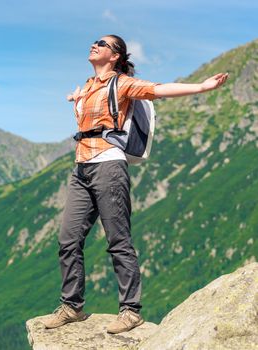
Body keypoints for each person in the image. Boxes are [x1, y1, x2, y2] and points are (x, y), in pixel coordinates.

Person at [40, 34, 228, 334]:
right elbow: (90, 123)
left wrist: (202, 86)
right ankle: (72, 307)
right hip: (81, 168)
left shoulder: (123, 83)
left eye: (102, 43)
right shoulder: (88, 85)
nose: (95, 44)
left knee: (118, 240)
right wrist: (77, 101)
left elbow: (159, 90)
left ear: (115, 56)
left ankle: (130, 311)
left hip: (109, 166)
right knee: (68, 239)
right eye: (94, 41)